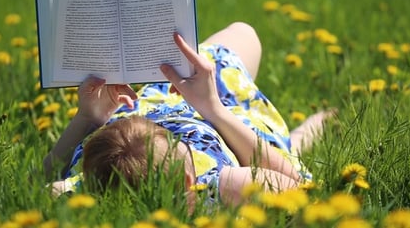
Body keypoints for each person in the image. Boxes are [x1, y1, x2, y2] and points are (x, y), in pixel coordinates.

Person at [44, 22, 333, 206]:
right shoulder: (221, 185)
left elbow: (36, 184)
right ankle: (303, 134)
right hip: (226, 123)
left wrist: (88, 118)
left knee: (242, 35)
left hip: (158, 104)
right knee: (244, 33)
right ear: (187, 181)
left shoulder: (91, 183)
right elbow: (299, 187)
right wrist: (213, 109)